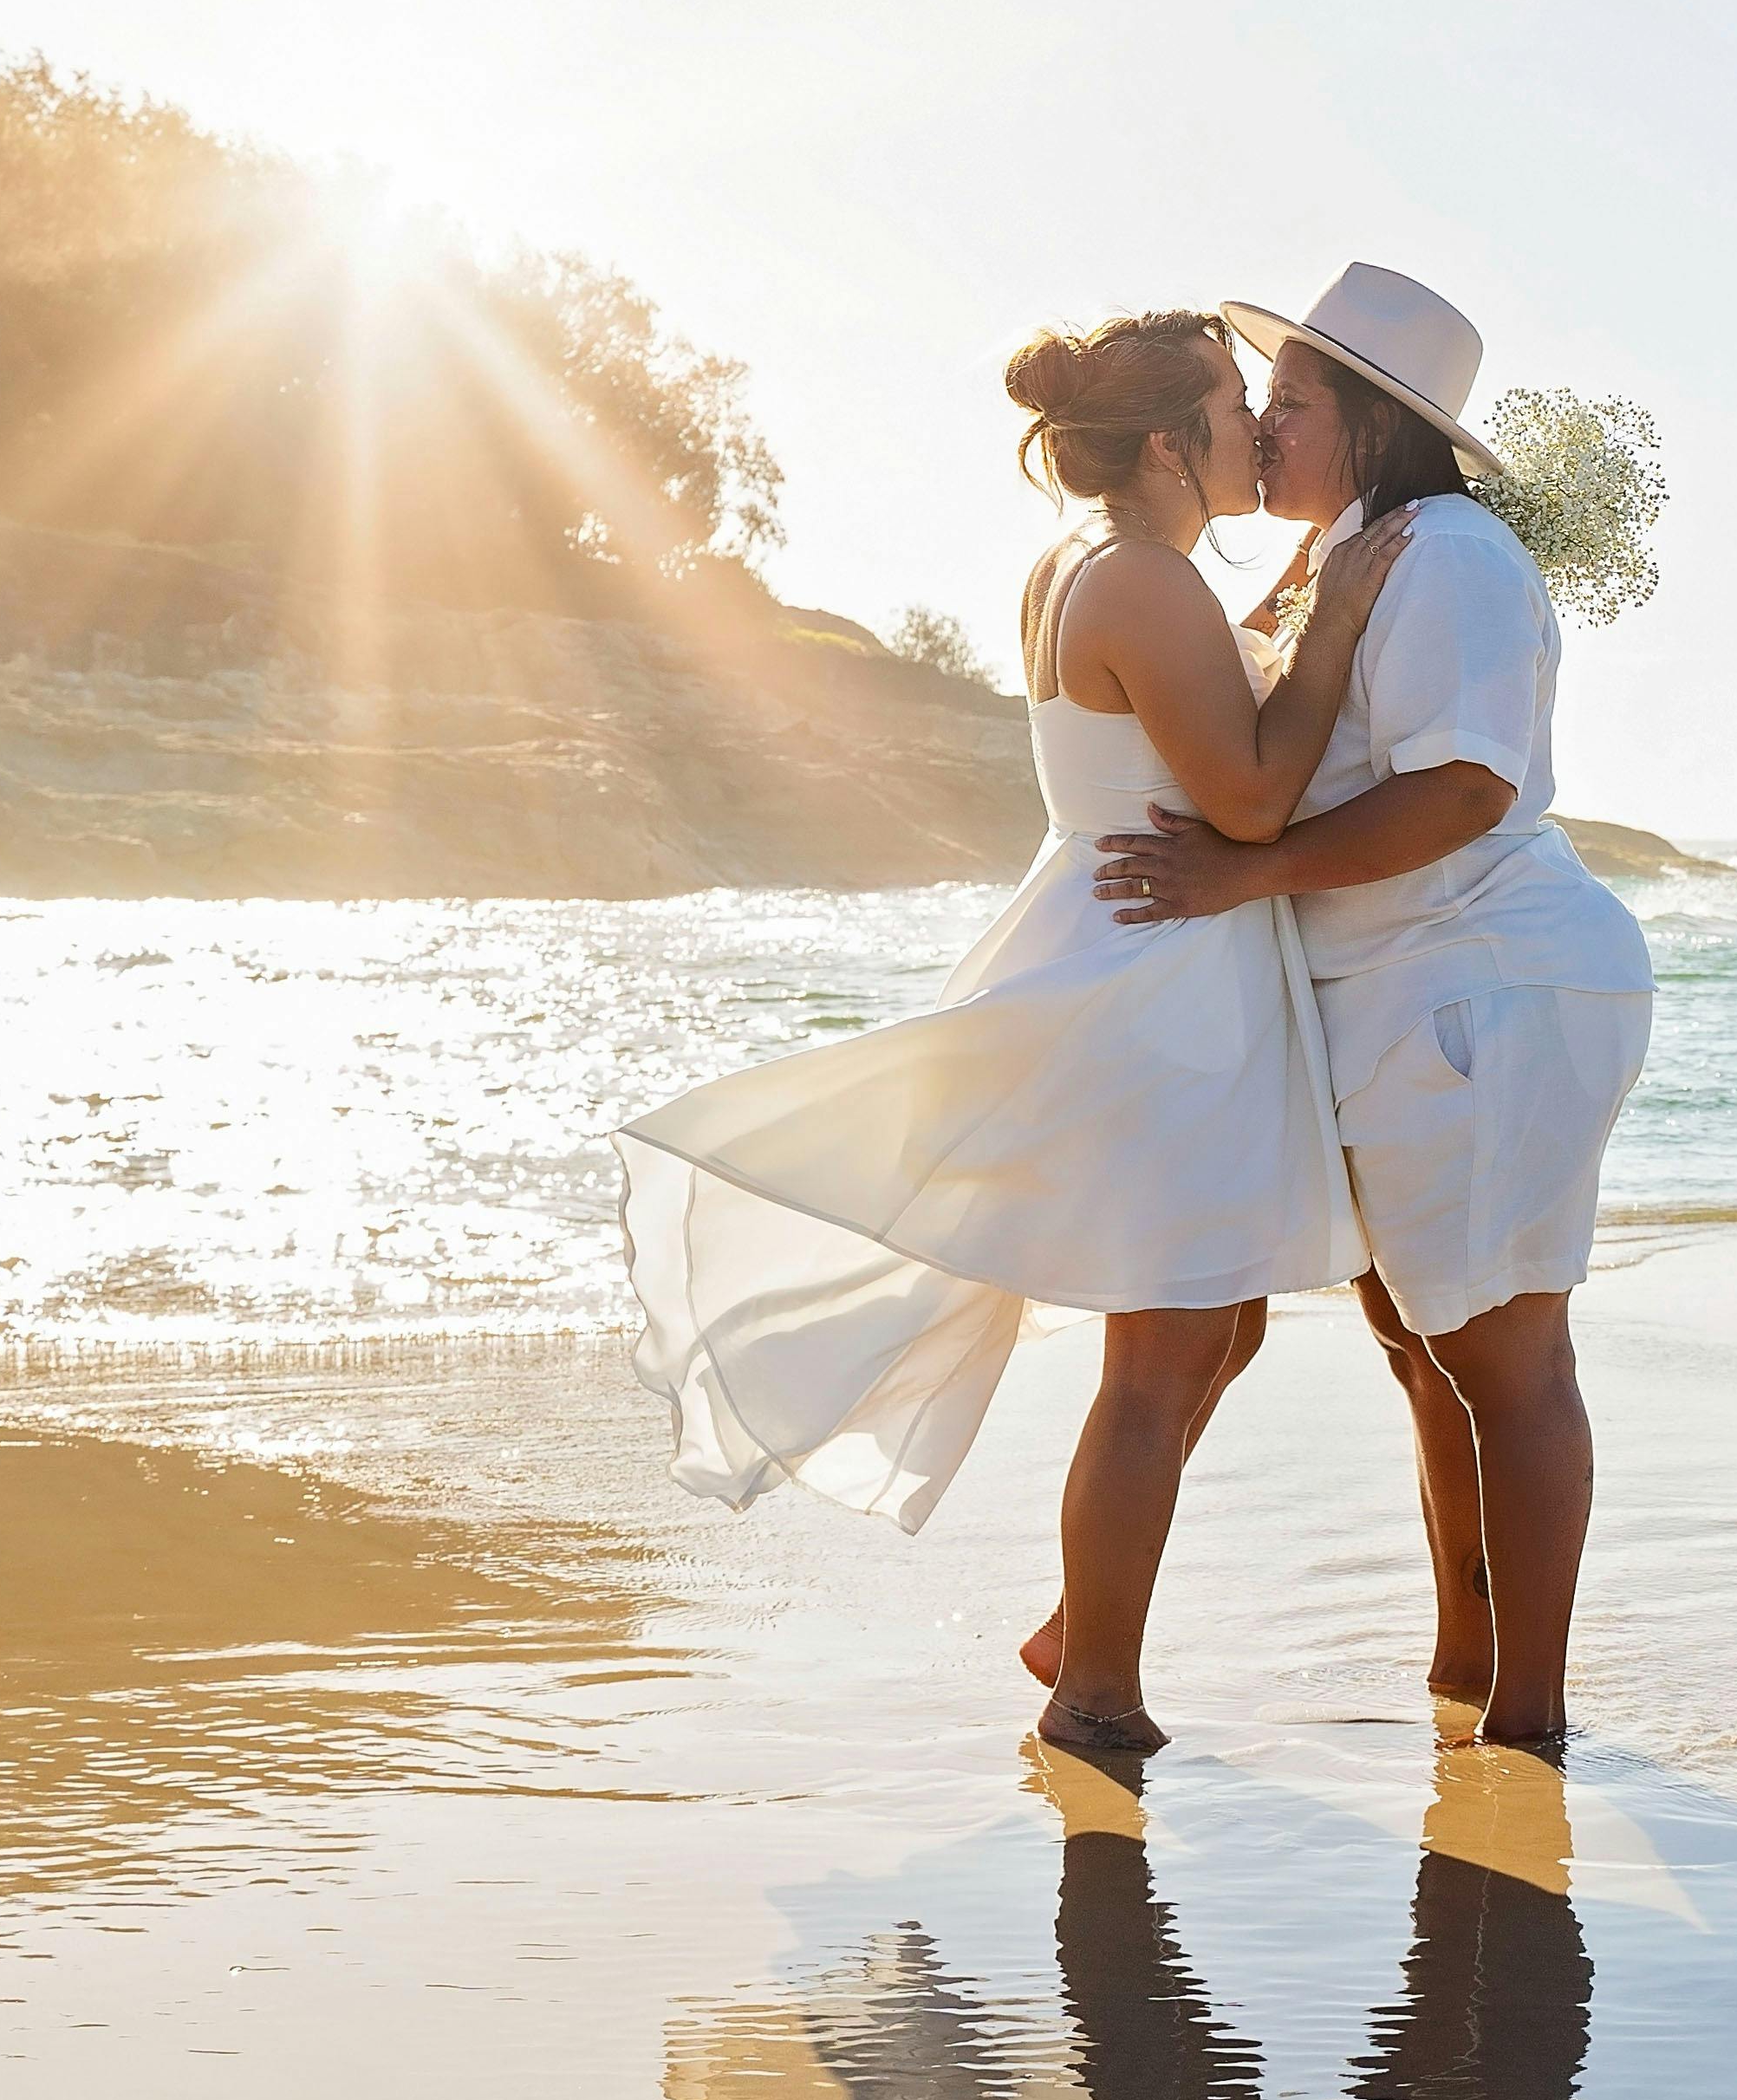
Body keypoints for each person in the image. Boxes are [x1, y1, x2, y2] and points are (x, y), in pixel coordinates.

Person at [612, 309, 1411, 1756]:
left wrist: (1305, 581)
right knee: (1164, 1351)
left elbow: (1189, 713)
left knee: (1214, 1321)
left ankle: (1078, 1620)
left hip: (1146, 952)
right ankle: (1093, 1692)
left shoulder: (1092, 564)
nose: (1259, 432)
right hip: (1154, 978)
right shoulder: (1143, 581)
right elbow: (1244, 803)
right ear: (1171, 441)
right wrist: (1343, 618)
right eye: (1238, 408)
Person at [1093, 265, 1654, 1753]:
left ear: (1373, 428)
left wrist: (1239, 876)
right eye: (1256, 406)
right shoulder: (1353, 550)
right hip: (1395, 989)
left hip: (1483, 979)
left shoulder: (1450, 552)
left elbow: (1465, 787)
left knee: (1501, 1360)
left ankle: (1525, 1719)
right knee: (1423, 1352)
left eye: (1290, 405)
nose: (1263, 431)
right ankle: (1461, 1673)